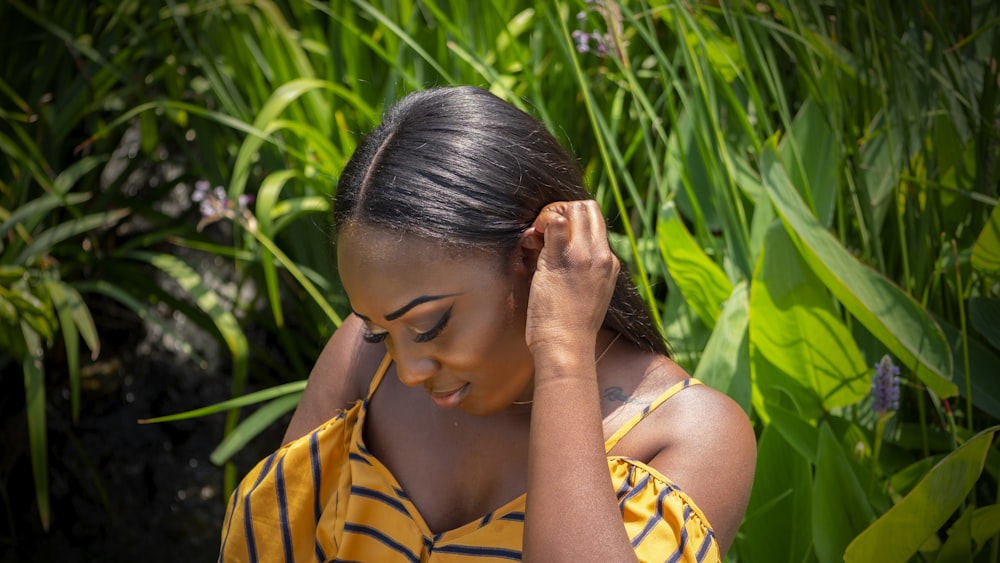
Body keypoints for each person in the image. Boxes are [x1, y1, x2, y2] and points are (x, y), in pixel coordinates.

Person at [218, 86, 756, 562]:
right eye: (382, 330)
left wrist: (562, 355)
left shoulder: (690, 435)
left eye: (429, 326)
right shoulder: (364, 361)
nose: (406, 370)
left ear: (531, 257)